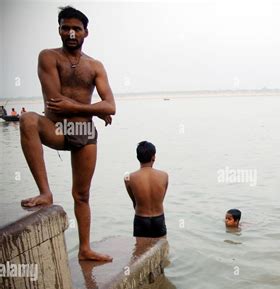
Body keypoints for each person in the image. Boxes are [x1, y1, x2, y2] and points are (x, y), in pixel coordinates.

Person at [19, 6, 116, 261]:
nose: (71, 33)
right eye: (66, 28)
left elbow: (111, 106)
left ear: (86, 33)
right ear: (60, 30)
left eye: (77, 29)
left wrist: (93, 111)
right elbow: (55, 103)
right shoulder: (48, 57)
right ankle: (45, 192)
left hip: (84, 132)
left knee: (82, 195)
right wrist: (95, 109)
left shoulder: (95, 66)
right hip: (57, 128)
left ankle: (85, 249)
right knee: (28, 119)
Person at [124, 141, 169, 238]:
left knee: (140, 251)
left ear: (138, 157)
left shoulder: (128, 178)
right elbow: (160, 200)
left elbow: (134, 202)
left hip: (141, 219)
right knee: (161, 249)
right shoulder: (164, 176)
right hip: (159, 219)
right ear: (153, 157)